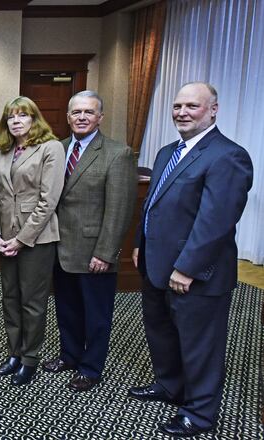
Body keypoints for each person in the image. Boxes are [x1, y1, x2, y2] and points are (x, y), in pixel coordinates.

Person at [129, 82, 253, 437]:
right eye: (177, 106)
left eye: (192, 106)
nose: (181, 112)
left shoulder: (228, 155)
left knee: (200, 345)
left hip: (196, 273)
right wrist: (141, 243)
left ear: (213, 110)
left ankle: (199, 413)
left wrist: (187, 268)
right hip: (155, 263)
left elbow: (216, 221)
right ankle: (170, 386)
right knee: (162, 333)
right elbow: (152, 205)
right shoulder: (168, 152)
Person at [41, 91, 137, 392]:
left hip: (94, 252)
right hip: (59, 247)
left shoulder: (117, 153)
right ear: (68, 117)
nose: (82, 117)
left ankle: (91, 367)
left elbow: (119, 210)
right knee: (67, 308)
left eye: (89, 112)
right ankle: (69, 356)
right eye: (76, 112)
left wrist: (106, 253)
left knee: (96, 315)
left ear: (100, 117)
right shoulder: (57, 148)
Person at [0, 96, 65, 386]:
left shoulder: (50, 148)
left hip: (37, 239)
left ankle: (30, 358)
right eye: (11, 117)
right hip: (5, 237)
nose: (16, 121)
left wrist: (21, 240)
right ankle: (14, 352)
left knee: (32, 302)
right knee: (10, 298)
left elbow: (48, 201)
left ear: (34, 119)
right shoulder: (4, 151)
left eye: (22, 116)